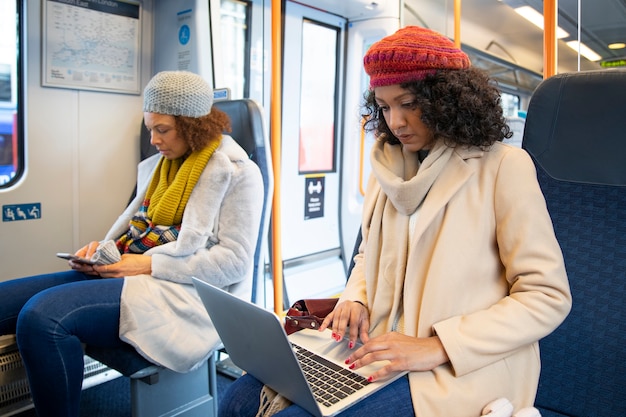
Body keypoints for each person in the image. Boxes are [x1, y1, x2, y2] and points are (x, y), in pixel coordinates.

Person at [219, 26, 572, 417]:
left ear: (448, 100)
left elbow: (546, 297)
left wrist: (438, 346)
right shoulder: (389, 169)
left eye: (407, 103)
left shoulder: (504, 167)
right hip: (380, 343)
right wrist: (355, 296)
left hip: (461, 363)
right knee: (237, 398)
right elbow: (369, 255)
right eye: (385, 107)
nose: (397, 121)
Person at [0, 70, 263, 417]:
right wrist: (102, 250)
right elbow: (137, 231)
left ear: (192, 124)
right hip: (129, 272)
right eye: (149, 128)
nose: (153, 139)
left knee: (41, 319)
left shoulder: (239, 174)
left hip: (181, 293)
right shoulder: (160, 167)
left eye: (162, 129)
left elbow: (234, 262)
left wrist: (146, 264)